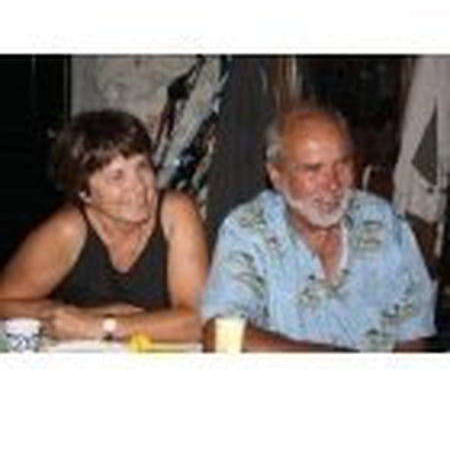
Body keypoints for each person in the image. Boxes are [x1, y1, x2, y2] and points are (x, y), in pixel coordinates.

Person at [202, 104, 435, 352]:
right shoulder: (249, 230)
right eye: (314, 170)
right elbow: (219, 333)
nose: (333, 184)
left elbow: (413, 331)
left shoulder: (383, 223)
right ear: (276, 175)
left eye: (342, 164)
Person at [0, 109, 208, 343]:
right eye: (117, 176)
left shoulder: (176, 211)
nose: (139, 186)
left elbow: (199, 322)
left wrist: (101, 325)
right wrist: (65, 314)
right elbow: (5, 302)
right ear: (84, 192)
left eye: (142, 166)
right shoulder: (67, 231)